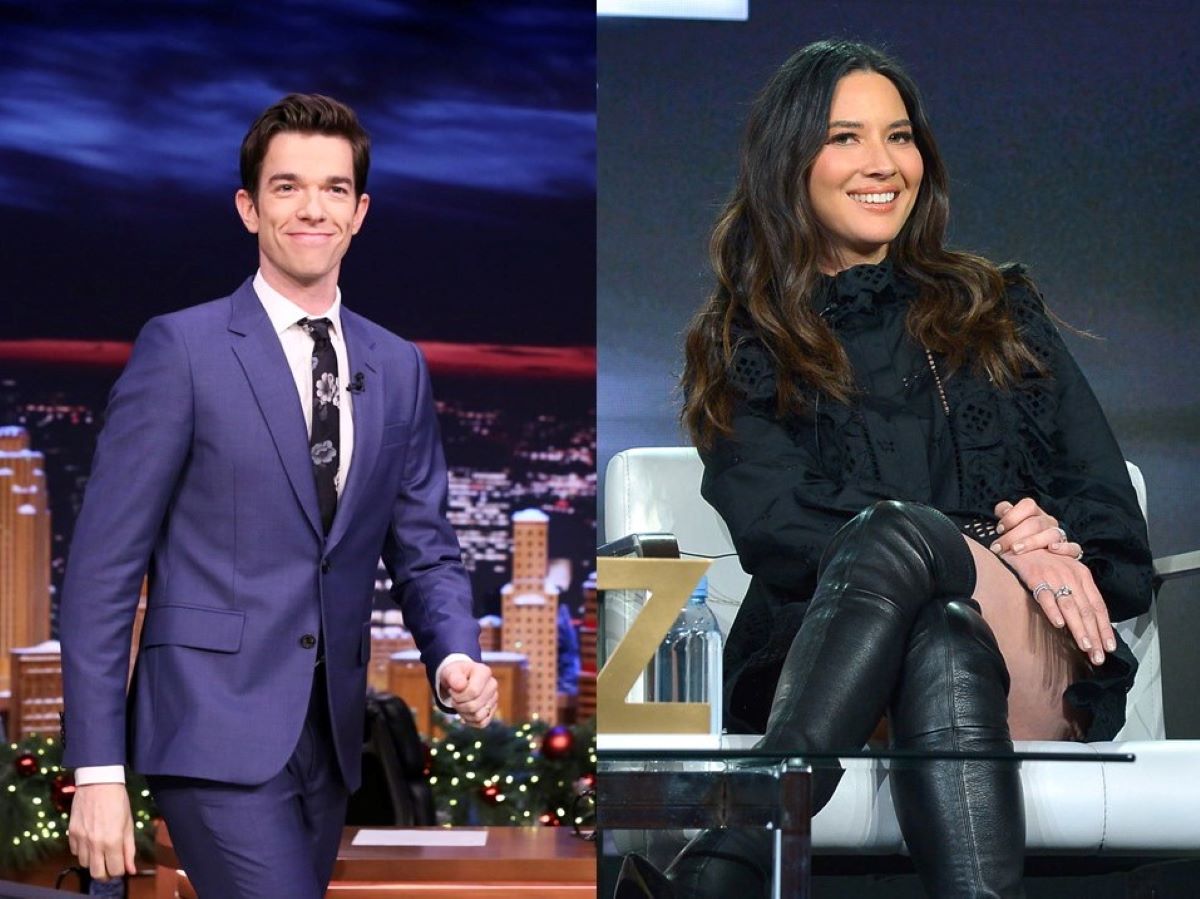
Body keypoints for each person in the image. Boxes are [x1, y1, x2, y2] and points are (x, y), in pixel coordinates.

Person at [618, 40, 1154, 898]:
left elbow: (1116, 535)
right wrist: (972, 542)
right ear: (791, 162)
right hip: (834, 665)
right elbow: (775, 526)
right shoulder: (743, 337)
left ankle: (730, 859)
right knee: (938, 623)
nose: (883, 163)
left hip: (1032, 651)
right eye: (846, 138)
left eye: (899, 136)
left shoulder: (999, 308)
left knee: (915, 555)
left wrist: (1044, 548)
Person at [59, 94, 500, 897]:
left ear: (359, 213)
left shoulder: (397, 365)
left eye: (334, 189)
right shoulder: (182, 348)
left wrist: (454, 655)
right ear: (249, 207)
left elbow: (425, 546)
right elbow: (101, 570)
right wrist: (97, 770)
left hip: (331, 742)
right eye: (288, 186)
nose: (312, 208)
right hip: (208, 730)